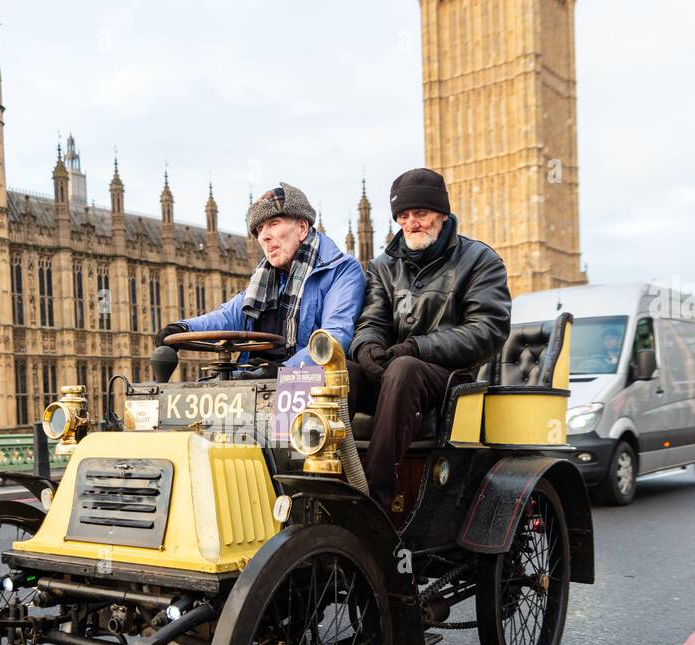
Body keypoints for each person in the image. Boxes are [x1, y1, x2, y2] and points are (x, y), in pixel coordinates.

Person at [348, 168, 512, 510]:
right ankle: (323, 484)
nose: (411, 223)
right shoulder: (383, 266)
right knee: (336, 375)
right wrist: (367, 348)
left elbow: (488, 329)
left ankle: (375, 501)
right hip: (394, 370)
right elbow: (371, 320)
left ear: (442, 214)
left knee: (406, 368)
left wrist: (418, 346)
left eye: (419, 214)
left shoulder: (480, 260)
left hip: (450, 379)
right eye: (403, 216)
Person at [155, 183, 363, 375]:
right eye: (259, 229)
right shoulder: (265, 280)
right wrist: (183, 328)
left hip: (306, 382)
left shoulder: (341, 270)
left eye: (273, 224)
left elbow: (333, 338)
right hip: (255, 379)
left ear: (302, 228)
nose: (264, 236)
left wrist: (283, 371)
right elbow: (228, 316)